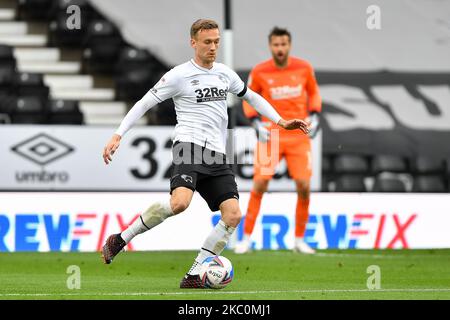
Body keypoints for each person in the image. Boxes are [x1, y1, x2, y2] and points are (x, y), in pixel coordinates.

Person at [101, 19, 310, 289]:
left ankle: (195, 272)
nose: (213, 47)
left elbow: (252, 97)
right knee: (180, 203)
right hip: (188, 147)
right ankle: (121, 238)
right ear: (194, 43)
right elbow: (144, 103)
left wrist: (281, 121)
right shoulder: (178, 75)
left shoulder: (225, 73)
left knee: (233, 214)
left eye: (216, 42)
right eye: (207, 42)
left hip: (216, 155)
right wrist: (119, 133)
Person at [234, 27, 322, 255]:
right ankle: (246, 239)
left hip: (298, 135)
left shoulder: (304, 68)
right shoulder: (261, 71)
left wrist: (315, 114)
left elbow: (314, 93)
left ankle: (300, 240)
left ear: (289, 45)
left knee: (303, 186)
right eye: (276, 44)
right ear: (270, 46)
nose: (280, 49)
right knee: (260, 184)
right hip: (271, 135)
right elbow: (248, 97)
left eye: (283, 44)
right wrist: (254, 123)